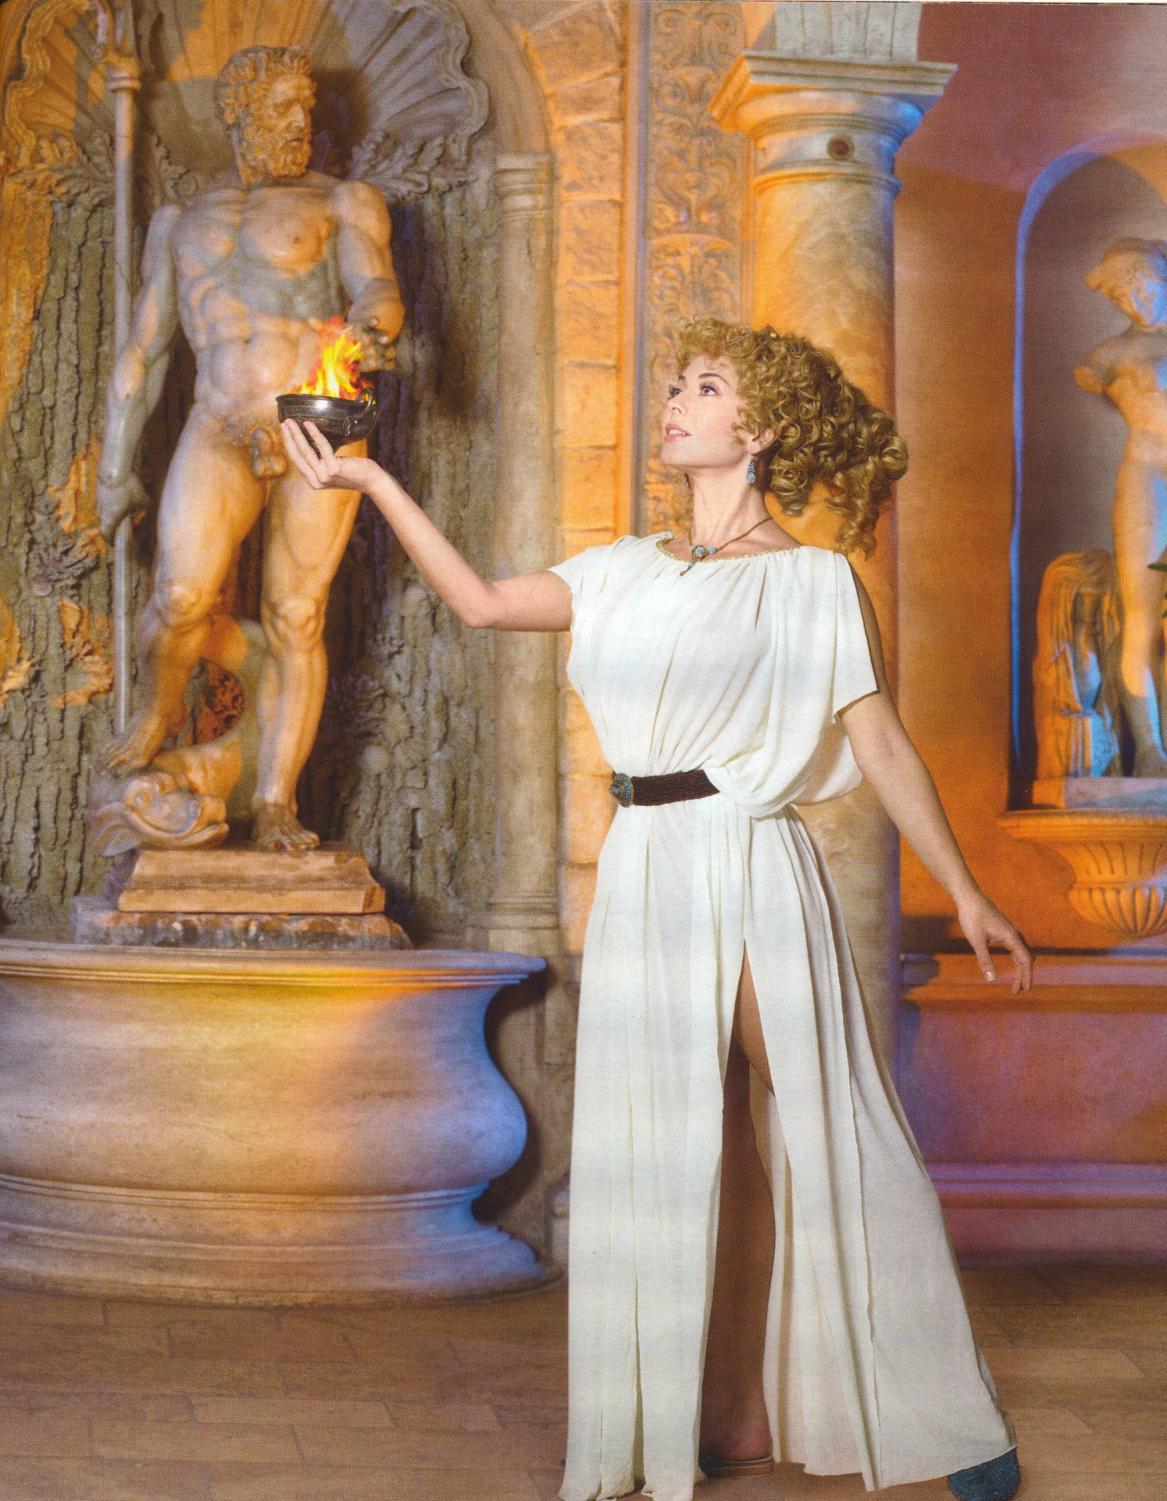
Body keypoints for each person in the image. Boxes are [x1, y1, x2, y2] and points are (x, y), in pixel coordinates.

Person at [280, 316, 1033, 1501]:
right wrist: (372, 480)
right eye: (675, 383)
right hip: (643, 867)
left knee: (832, 1116)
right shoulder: (620, 567)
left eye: (706, 386)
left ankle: (950, 1419)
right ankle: (715, 1417)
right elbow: (481, 603)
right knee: (680, 1143)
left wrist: (969, 889)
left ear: (761, 426)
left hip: (750, 856)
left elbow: (881, 743)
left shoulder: (812, 580)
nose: (675, 401)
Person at [95, 44, 403, 851]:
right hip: (220, 421)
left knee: (296, 613)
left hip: (320, 415)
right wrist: (115, 467)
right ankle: (159, 709)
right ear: (238, 113)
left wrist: (374, 326)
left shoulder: (341, 201)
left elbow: (376, 287)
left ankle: (274, 802)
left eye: (306, 107)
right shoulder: (180, 220)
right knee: (180, 597)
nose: (298, 121)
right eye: (280, 106)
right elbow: (144, 351)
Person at [1074, 237, 1167, 776]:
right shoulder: (1110, 355)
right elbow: (1090, 376)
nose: (1132, 302)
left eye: (1140, 287)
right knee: (1142, 616)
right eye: (1119, 296)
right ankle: (1151, 748)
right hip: (1148, 480)